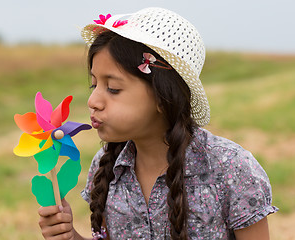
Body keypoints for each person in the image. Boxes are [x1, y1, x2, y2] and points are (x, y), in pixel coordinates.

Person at [37, 7, 278, 240]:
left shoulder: (232, 169)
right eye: (94, 85)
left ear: (163, 97)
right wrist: (68, 237)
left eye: (113, 88)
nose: (93, 101)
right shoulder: (106, 167)